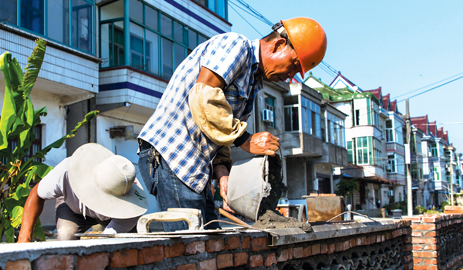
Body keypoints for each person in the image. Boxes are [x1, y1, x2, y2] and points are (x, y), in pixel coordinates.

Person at [137, 17, 327, 230]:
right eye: (293, 65)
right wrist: (245, 139)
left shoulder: (253, 83)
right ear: (279, 44)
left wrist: (222, 174)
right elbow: (204, 95)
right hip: (172, 156)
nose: (289, 76)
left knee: (208, 238)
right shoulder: (236, 45)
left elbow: (216, 129)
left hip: (194, 165)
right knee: (190, 247)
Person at [17, 143, 148, 242]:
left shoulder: (130, 211)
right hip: (72, 208)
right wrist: (24, 236)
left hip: (113, 217)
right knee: (65, 239)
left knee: (137, 242)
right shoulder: (66, 172)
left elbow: (105, 245)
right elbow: (36, 194)